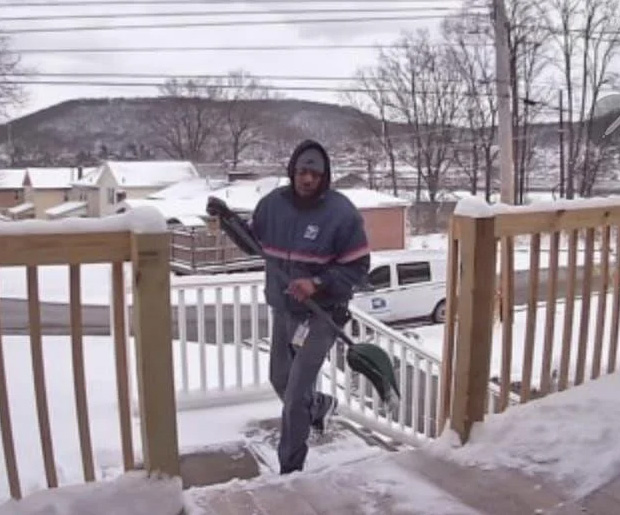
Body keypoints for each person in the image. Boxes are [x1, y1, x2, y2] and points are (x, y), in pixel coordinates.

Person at [211, 139, 370, 475]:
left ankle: (290, 471)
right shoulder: (272, 205)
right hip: (285, 310)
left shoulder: (341, 214)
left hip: (323, 314)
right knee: (279, 380)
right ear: (292, 172)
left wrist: (318, 283)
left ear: (325, 176)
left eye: (314, 172)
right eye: (302, 171)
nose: (307, 178)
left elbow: (358, 269)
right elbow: (255, 244)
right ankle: (322, 405)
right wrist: (227, 220)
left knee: (296, 395)